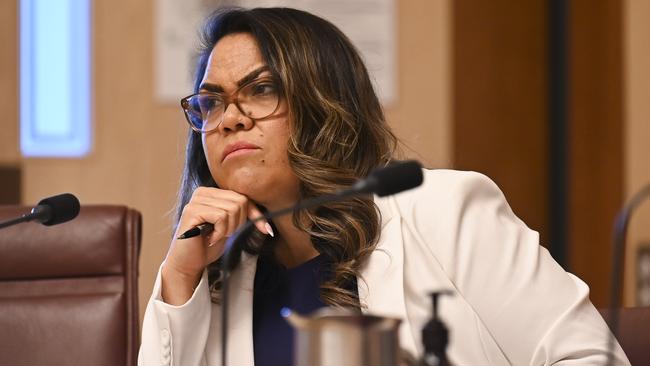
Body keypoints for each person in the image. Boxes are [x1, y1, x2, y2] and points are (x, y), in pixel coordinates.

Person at [138, 7, 630, 366]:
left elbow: (588, 358)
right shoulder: (222, 272)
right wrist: (179, 278)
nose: (229, 120)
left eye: (261, 90)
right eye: (212, 102)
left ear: (326, 104)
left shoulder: (443, 209)